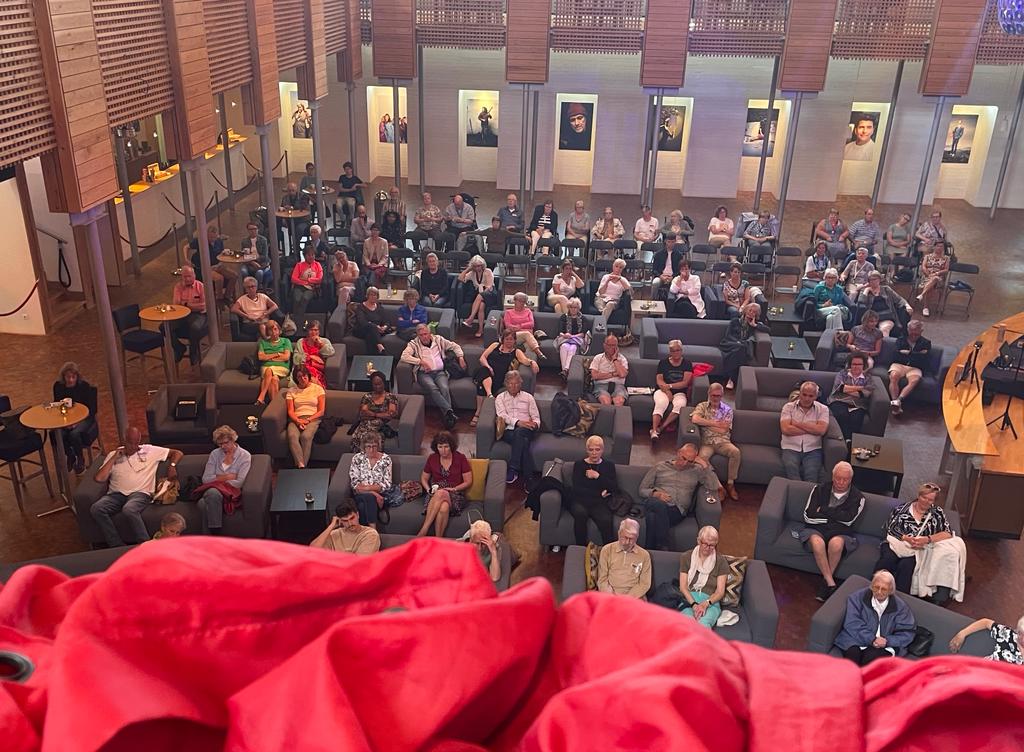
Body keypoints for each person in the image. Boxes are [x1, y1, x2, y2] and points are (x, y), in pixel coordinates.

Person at [90, 427, 182, 547]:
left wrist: (172, 466)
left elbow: (177, 453)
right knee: (96, 508)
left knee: (129, 509)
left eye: (136, 443)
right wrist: (114, 458)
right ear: (124, 440)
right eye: (130, 443)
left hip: (140, 493)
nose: (133, 447)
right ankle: (116, 545)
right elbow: (99, 478)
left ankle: (146, 545)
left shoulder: (150, 450)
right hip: (116, 495)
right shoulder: (113, 454)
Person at [876, 482, 964, 604]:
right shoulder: (902, 509)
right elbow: (889, 528)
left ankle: (897, 601)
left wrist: (927, 539)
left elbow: (947, 533)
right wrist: (906, 538)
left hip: (918, 550)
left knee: (907, 566)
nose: (926, 501)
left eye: (930, 500)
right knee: (887, 560)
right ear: (918, 495)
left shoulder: (937, 513)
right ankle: (875, 591)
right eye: (924, 497)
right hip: (896, 544)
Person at [799, 461, 865, 601]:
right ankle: (830, 582)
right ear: (833, 476)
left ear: (850, 479)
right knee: (817, 542)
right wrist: (836, 517)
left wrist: (823, 509)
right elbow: (808, 516)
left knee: (836, 544)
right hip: (816, 529)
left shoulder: (858, 497)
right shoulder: (819, 489)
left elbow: (848, 520)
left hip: (841, 534)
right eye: (838, 478)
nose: (841, 482)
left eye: (845, 479)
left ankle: (826, 584)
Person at [640, 443, 723, 551]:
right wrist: (656, 494)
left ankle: (648, 551)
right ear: (678, 452)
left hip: (676, 510)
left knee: (652, 517)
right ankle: (664, 548)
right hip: (655, 501)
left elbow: (713, 486)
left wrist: (705, 465)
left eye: (690, 461)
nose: (685, 463)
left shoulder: (696, 471)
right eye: (683, 458)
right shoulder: (660, 467)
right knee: (658, 504)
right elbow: (642, 490)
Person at [834, 570, 916, 665]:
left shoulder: (901, 607)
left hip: (885, 645)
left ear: (890, 590)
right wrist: (871, 639)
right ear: (871, 586)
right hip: (856, 638)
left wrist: (887, 641)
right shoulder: (857, 597)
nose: (879, 592)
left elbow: (907, 632)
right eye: (876, 587)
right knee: (852, 657)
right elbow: (852, 623)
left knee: (870, 659)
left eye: (884, 589)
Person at [400, 323, 465, 429]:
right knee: (433, 388)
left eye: (426, 334)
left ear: (430, 333)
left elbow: (455, 346)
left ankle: (448, 416)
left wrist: (460, 357)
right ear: (417, 335)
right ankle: (449, 413)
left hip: (440, 373)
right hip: (424, 374)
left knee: (444, 388)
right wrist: (420, 362)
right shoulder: (413, 344)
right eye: (421, 335)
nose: (424, 337)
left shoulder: (438, 340)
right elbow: (404, 356)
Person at [473, 329, 538, 427]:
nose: (509, 341)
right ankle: (489, 396)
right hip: (485, 370)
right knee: (484, 371)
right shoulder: (495, 345)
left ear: (515, 340)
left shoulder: (516, 351)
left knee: (481, 385)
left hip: (497, 378)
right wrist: (488, 367)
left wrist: (532, 362)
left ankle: (478, 413)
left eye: (511, 339)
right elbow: (482, 357)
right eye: (507, 339)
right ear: (502, 339)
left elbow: (524, 360)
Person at [197, 426, 252, 535]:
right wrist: (227, 477)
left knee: (203, 504)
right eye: (220, 444)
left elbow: (239, 482)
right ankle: (216, 535)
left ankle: (212, 537)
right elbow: (206, 479)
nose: (223, 446)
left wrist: (217, 479)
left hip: (231, 493)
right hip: (214, 492)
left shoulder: (244, 456)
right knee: (212, 494)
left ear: (233, 439)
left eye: (226, 443)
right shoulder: (215, 454)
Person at [691, 383, 741, 500]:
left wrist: (705, 423)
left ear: (722, 395)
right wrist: (715, 423)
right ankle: (718, 487)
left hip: (723, 441)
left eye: (718, 396)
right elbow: (695, 419)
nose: (715, 398)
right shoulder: (702, 406)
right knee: (701, 459)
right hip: (707, 441)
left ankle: (730, 484)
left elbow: (724, 429)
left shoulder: (728, 410)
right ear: (709, 394)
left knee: (736, 452)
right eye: (713, 395)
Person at [418, 431, 473, 537]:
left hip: (456, 494)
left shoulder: (460, 458)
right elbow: (424, 478)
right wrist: (428, 489)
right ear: (436, 447)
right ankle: (439, 539)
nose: (443, 450)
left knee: (441, 493)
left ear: (451, 446)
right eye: (440, 447)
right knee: (443, 507)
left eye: (446, 446)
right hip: (435, 494)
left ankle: (424, 530)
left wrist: (455, 489)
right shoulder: (432, 458)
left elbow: (468, 481)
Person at [569, 436, 619, 546]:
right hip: (581, 501)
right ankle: (580, 549)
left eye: (597, 449)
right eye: (591, 450)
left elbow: (613, 487)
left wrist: (597, 476)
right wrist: (599, 493)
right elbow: (577, 489)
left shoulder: (609, 466)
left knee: (606, 520)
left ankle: (608, 553)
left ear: (602, 450)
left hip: (599, 504)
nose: (594, 453)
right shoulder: (579, 465)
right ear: (587, 450)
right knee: (580, 514)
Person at [780, 381, 831, 483]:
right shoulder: (788, 407)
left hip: (813, 449)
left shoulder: (823, 409)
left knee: (811, 474)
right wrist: (812, 428)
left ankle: (809, 497)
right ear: (800, 393)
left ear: (816, 396)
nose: (807, 398)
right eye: (804, 394)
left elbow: (821, 430)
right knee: (791, 468)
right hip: (790, 447)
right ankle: (798, 495)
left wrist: (796, 423)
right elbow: (785, 429)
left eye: (811, 396)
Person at [52, 362, 98, 474]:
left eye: (73, 377)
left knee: (74, 434)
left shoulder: (84, 387)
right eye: (68, 377)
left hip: (85, 418)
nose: (71, 380)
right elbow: (58, 405)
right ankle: (70, 455)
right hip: (67, 418)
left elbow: (91, 410)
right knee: (57, 434)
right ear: (63, 377)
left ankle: (80, 459)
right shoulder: (58, 387)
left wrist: (77, 422)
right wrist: (66, 422)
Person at [495, 371, 540, 485]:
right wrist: (518, 422)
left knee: (521, 433)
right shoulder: (500, 398)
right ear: (506, 384)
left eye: (516, 383)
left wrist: (534, 424)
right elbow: (502, 416)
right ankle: (529, 479)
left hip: (527, 429)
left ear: (520, 384)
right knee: (522, 440)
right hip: (509, 430)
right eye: (510, 383)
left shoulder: (529, 397)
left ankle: (513, 468)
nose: (513, 386)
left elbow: (536, 418)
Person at [679, 526, 729, 628]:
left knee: (703, 624)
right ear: (698, 541)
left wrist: (705, 604)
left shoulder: (721, 561)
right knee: (687, 623)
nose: (708, 548)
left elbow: (720, 592)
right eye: (705, 543)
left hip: (710, 602)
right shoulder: (686, 557)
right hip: (689, 599)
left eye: (712, 545)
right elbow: (683, 587)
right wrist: (694, 605)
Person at [719, 302, 769, 391]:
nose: (751, 313)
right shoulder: (735, 321)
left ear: (756, 315)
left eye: (754, 312)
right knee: (740, 348)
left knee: (741, 348)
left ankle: (731, 379)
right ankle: (733, 379)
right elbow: (728, 335)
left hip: (742, 346)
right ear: (745, 311)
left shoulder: (755, 324)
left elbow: (768, 330)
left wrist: (755, 325)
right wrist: (737, 341)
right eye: (750, 310)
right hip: (730, 343)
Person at [597, 519, 651, 598]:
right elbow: (602, 580)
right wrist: (613, 598)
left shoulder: (644, 555)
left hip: (634, 598)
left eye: (631, 539)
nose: (627, 542)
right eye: (625, 537)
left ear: (637, 537)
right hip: (609, 596)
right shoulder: (607, 550)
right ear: (619, 534)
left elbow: (644, 584)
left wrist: (627, 598)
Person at [348, 431, 392, 529]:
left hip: (380, 496)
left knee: (362, 506)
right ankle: (373, 531)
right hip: (361, 495)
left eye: (374, 446)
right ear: (364, 447)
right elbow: (355, 485)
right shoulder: (357, 458)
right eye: (368, 446)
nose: (371, 450)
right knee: (370, 498)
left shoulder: (386, 460)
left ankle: (364, 535)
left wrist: (367, 488)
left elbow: (386, 484)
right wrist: (374, 493)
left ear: (378, 446)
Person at [284, 365, 325, 468]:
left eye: (304, 376)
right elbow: (290, 411)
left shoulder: (318, 389)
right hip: (296, 418)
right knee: (292, 436)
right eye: (299, 377)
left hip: (313, 418)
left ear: (308, 376)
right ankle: (301, 466)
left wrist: (308, 420)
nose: (302, 379)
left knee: (305, 437)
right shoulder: (291, 391)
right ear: (295, 378)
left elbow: (321, 411)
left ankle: (301, 467)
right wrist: (298, 421)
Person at [650, 340, 692, 440]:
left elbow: (685, 383)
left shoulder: (687, 363)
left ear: (681, 351)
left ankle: (662, 427)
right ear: (670, 352)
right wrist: (667, 391)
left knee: (680, 405)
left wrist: (670, 387)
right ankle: (654, 431)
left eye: (678, 350)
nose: (676, 353)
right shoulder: (663, 363)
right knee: (661, 403)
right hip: (662, 390)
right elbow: (659, 380)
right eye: (673, 351)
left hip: (680, 392)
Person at [888, 319, 931, 415]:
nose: (914, 336)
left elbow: (924, 359)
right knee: (894, 376)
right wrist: (917, 354)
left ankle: (899, 400)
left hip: (915, 367)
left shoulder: (926, 343)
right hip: (899, 364)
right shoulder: (900, 339)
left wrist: (908, 353)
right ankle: (895, 402)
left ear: (921, 332)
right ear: (908, 330)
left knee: (914, 380)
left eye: (916, 334)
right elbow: (895, 355)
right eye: (912, 333)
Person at [168, 264, 208, 366]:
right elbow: (176, 304)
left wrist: (186, 305)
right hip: (182, 314)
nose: (187, 279)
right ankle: (179, 348)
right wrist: (190, 305)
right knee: (164, 327)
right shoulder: (178, 287)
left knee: (195, 327)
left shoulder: (200, 286)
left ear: (194, 275)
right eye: (184, 276)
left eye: (189, 276)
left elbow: (203, 306)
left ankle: (193, 352)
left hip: (198, 315)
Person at [828, 353, 874, 441]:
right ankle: (847, 440)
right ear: (850, 365)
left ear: (864, 365)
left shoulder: (868, 378)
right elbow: (840, 388)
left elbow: (864, 394)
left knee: (856, 418)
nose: (856, 366)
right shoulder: (842, 374)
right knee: (842, 414)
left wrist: (847, 388)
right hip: (839, 400)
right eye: (854, 364)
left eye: (859, 364)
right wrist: (860, 388)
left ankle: (851, 442)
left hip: (858, 405)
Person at [854, 271, 913, 337]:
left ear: (879, 279)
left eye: (875, 279)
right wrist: (866, 290)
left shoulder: (886, 289)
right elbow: (860, 302)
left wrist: (907, 305)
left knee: (884, 329)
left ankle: (885, 346)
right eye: (871, 279)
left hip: (886, 317)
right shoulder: (865, 291)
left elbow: (899, 299)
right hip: (872, 318)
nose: (873, 281)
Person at [309, 500, 381, 554]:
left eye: (352, 518)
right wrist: (331, 526)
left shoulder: (370, 534)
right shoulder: (335, 534)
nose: (350, 523)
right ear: (340, 521)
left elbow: (359, 562)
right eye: (345, 521)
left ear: (358, 515)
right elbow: (312, 550)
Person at [353, 371, 399, 452]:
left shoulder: (390, 397)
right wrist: (381, 414)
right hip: (365, 425)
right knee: (358, 438)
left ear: (384, 383)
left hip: (380, 426)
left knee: (373, 440)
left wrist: (374, 414)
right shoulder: (367, 397)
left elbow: (390, 414)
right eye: (375, 384)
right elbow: (363, 413)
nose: (378, 386)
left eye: (380, 384)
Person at [950, 615, 1024, 664]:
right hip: (981, 672)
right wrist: (962, 634)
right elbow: (985, 622)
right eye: (1020, 633)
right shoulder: (1009, 635)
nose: (1022, 639)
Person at [231, 276, 281, 340]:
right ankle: (267, 340)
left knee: (272, 325)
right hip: (250, 323)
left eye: (253, 286)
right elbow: (233, 309)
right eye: (248, 287)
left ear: (256, 287)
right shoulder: (242, 299)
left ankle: (262, 340)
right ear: (245, 289)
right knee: (262, 326)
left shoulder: (263, 297)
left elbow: (275, 306)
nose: (251, 289)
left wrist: (265, 314)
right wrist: (247, 316)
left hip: (264, 321)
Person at [458, 255, 496, 338]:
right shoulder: (472, 273)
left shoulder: (488, 271)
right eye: (475, 266)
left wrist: (482, 294)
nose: (478, 268)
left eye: (479, 265)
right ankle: (480, 329)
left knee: (480, 296)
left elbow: (489, 287)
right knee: (481, 306)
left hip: (490, 294)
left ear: (482, 265)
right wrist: (468, 269)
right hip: (480, 296)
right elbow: (460, 278)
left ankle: (470, 319)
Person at [255, 319, 292, 405]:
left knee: (269, 370)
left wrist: (268, 358)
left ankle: (262, 396)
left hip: (282, 367)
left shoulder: (286, 341)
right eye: (270, 330)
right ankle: (274, 406)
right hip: (265, 367)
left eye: (275, 329)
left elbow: (286, 357)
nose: (273, 332)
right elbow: (261, 357)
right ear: (267, 332)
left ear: (279, 330)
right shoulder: (263, 342)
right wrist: (277, 354)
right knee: (274, 379)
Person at [292, 320, 335, 388]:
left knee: (312, 380)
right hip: (303, 369)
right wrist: (311, 357)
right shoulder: (300, 342)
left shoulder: (324, 341)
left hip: (317, 369)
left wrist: (321, 344)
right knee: (309, 379)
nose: (313, 332)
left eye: (316, 330)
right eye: (311, 330)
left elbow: (331, 352)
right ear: (307, 331)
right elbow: (295, 359)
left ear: (319, 331)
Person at [503, 292, 544, 360]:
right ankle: (538, 352)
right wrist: (524, 328)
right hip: (515, 335)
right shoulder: (508, 312)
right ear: (515, 301)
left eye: (524, 301)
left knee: (530, 347)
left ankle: (529, 364)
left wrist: (519, 326)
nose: (522, 303)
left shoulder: (528, 311)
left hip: (527, 336)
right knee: (527, 333)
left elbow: (531, 324)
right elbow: (508, 326)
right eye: (520, 301)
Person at [590, 334, 628, 407]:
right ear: (604, 345)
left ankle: (619, 418)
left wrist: (615, 359)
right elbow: (594, 376)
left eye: (614, 345)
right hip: (601, 386)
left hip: (618, 386)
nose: (612, 348)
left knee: (619, 402)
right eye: (610, 345)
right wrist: (614, 374)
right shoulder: (598, 358)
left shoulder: (622, 359)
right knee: (606, 402)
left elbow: (623, 374)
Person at [353, 286, 392, 355]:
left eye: (375, 295)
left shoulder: (380, 308)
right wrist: (376, 327)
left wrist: (385, 327)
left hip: (376, 332)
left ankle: (371, 359)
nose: (373, 297)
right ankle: (380, 346)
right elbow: (362, 322)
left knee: (370, 336)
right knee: (371, 328)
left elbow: (387, 321)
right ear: (367, 296)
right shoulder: (360, 307)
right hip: (361, 330)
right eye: (371, 295)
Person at [290, 246, 323, 324]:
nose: (311, 257)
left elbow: (319, 279)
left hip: (312, 288)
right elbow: (293, 279)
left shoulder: (318, 265)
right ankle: (296, 320)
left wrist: (308, 280)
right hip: (299, 287)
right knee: (297, 299)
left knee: (305, 298)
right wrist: (305, 282)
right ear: (304, 256)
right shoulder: (299, 265)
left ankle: (296, 321)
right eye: (308, 255)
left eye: (312, 255)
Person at [916, 241, 949, 317]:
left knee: (935, 279)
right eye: (938, 246)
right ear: (934, 247)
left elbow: (946, 270)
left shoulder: (946, 258)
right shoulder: (927, 256)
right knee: (931, 286)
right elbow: (923, 267)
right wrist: (928, 274)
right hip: (927, 276)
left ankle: (922, 295)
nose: (940, 248)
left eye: (941, 246)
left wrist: (937, 273)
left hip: (939, 278)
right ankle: (926, 307)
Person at [556, 298, 587, 380]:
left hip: (577, 339)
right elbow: (559, 332)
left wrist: (572, 336)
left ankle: (565, 370)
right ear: (568, 308)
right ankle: (565, 371)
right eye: (571, 307)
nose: (573, 309)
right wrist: (565, 335)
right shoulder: (563, 317)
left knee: (572, 348)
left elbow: (583, 334)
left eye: (575, 307)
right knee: (564, 347)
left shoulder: (583, 318)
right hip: (565, 339)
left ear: (578, 308)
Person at [650, 233, 684, 301]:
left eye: (672, 242)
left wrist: (673, 277)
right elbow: (654, 269)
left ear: (675, 242)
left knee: (675, 285)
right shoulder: (658, 254)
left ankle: (672, 303)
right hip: (661, 276)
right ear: (665, 241)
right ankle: (654, 301)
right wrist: (660, 276)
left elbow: (680, 270)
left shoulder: (679, 255)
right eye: (669, 242)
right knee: (655, 283)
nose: (670, 244)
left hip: (673, 276)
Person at [239, 222, 272, 289]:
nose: (253, 231)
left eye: (254, 229)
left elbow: (265, 256)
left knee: (259, 273)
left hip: (261, 263)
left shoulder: (263, 240)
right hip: (249, 263)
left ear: (258, 229)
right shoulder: (244, 241)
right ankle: (247, 288)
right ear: (248, 230)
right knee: (243, 271)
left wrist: (256, 259)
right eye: (250, 229)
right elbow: (243, 256)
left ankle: (258, 288)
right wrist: (252, 262)